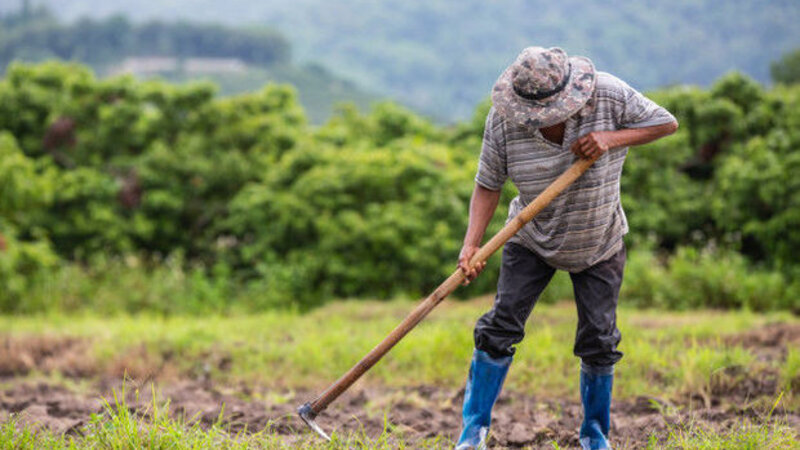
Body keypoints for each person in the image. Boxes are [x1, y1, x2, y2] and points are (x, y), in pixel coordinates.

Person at [455, 46, 679, 450]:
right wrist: (473, 246)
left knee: (599, 339)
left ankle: (595, 436)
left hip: (599, 238)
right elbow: (488, 183)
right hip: (530, 236)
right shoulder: (504, 121)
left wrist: (611, 138)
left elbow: (666, 123)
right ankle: (473, 432)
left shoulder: (608, 95)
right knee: (499, 327)